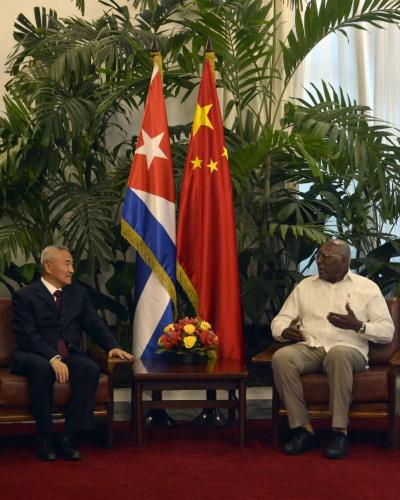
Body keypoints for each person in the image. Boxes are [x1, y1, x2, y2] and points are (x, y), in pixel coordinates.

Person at [271, 239, 394, 459]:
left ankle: (339, 432)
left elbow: (387, 332)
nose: (319, 261)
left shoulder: (366, 288)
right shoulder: (305, 286)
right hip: (312, 347)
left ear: (345, 261)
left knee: (338, 354)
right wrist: (284, 331)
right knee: (282, 357)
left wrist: (359, 326)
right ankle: (302, 429)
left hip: (349, 350)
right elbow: (280, 320)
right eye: (319, 256)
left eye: (326, 257)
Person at [11, 245, 133, 461]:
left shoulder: (77, 293)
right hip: (32, 355)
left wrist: (112, 345)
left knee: (89, 367)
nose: (72, 270)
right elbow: (27, 336)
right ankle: (45, 438)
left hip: (68, 354)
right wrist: (53, 358)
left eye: (72, 264)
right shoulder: (25, 296)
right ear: (48, 266)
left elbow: (93, 323)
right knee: (42, 368)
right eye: (67, 264)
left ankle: (68, 437)